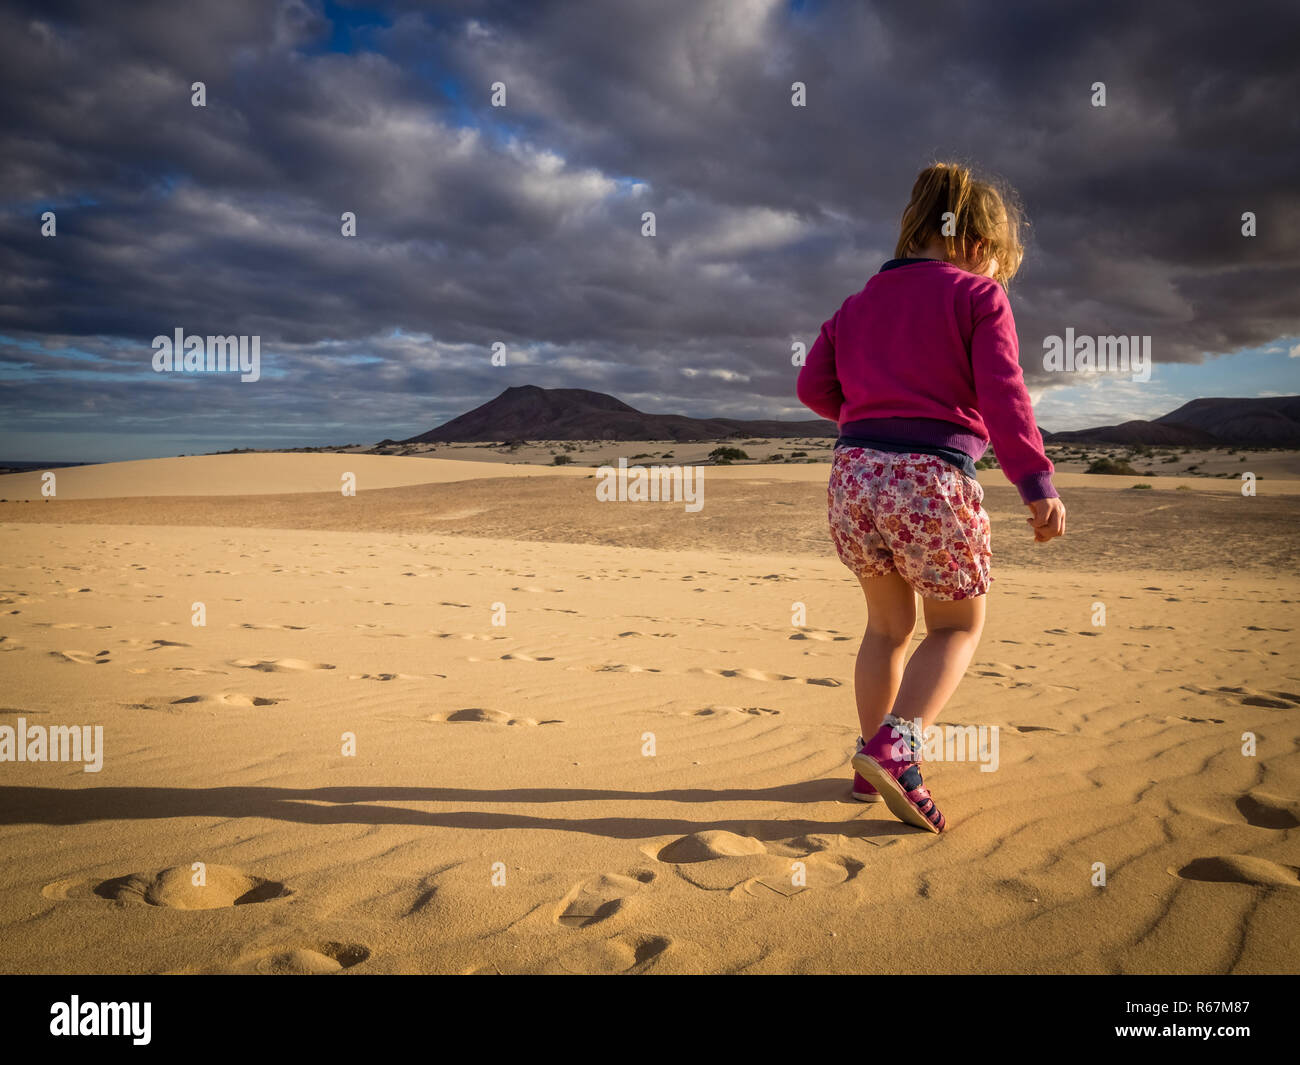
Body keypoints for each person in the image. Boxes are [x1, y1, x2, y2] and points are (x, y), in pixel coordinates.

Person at [796, 162, 1066, 833]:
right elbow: (1006, 397)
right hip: (930, 482)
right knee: (957, 627)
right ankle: (898, 745)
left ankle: (869, 769)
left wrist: (867, 415)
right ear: (977, 245)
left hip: (854, 475)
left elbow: (810, 387)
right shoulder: (976, 297)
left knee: (886, 628)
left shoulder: (858, 303)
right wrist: (1035, 484)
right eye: (997, 259)